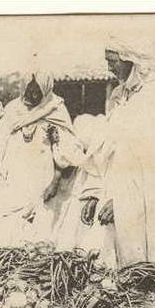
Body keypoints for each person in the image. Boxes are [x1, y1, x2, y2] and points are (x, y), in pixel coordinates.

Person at [80, 38, 155, 271]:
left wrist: (121, 203)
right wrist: (94, 193)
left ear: (131, 61)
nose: (109, 67)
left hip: (146, 199)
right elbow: (105, 146)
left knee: (147, 268)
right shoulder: (119, 96)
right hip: (116, 191)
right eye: (107, 61)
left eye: (113, 61)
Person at [0, 66, 83, 249]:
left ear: (46, 88)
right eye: (29, 89)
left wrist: (55, 178)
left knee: (39, 236)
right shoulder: (13, 109)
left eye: (37, 89)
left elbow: (68, 152)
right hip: (14, 182)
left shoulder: (55, 110)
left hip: (42, 181)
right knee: (11, 236)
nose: (32, 94)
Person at [54, 114, 117, 268]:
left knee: (101, 245)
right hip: (93, 194)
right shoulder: (93, 145)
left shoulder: (109, 150)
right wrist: (93, 196)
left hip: (112, 200)